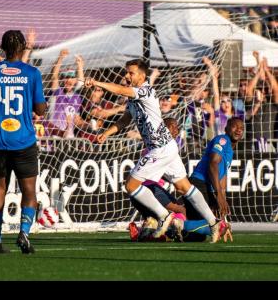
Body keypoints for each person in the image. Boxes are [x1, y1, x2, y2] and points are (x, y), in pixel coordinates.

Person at [85, 59, 224, 242]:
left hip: (159, 148)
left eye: (131, 73)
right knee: (183, 187)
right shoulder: (133, 98)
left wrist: (96, 82)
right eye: (126, 72)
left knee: (131, 186)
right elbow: (125, 119)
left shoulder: (145, 90)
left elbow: (119, 90)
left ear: (142, 76)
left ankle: (164, 216)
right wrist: (107, 133)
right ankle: (214, 223)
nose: (127, 75)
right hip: (167, 147)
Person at [0, 30, 47, 254]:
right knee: (29, 191)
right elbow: (40, 110)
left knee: (0, 188)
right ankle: (24, 233)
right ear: (25, 47)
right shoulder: (32, 73)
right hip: (23, 141)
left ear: (3, 47)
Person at [188, 117, 244, 220]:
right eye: (235, 126)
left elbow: (222, 174)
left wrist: (222, 196)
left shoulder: (230, 150)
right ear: (226, 128)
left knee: (199, 232)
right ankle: (172, 223)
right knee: (207, 223)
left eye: (241, 128)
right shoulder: (223, 139)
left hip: (207, 188)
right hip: (200, 184)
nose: (239, 130)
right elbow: (213, 163)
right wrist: (219, 195)